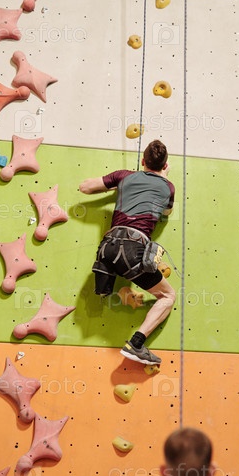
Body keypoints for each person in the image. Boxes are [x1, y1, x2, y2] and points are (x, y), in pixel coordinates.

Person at [79, 140, 176, 366]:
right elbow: (167, 212)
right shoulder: (168, 187)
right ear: (165, 165)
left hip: (107, 248)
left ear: (142, 161)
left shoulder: (123, 176)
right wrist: (163, 177)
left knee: (109, 289)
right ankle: (136, 344)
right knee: (168, 296)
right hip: (133, 249)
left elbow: (85, 187)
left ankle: (106, 286)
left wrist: (117, 185)